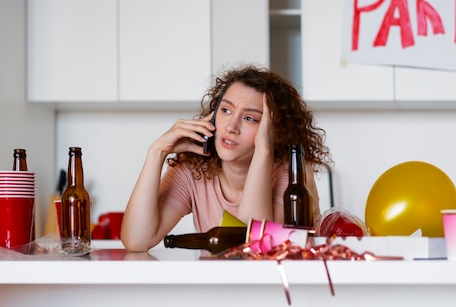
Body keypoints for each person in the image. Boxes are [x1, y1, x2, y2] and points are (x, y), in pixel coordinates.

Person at [121, 64, 331, 252]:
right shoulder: (194, 169)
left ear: (273, 130)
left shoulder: (292, 173)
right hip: (219, 291)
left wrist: (264, 149)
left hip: (282, 293)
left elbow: (251, 249)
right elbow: (136, 240)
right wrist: (157, 151)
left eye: (250, 118)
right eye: (226, 110)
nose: (231, 127)